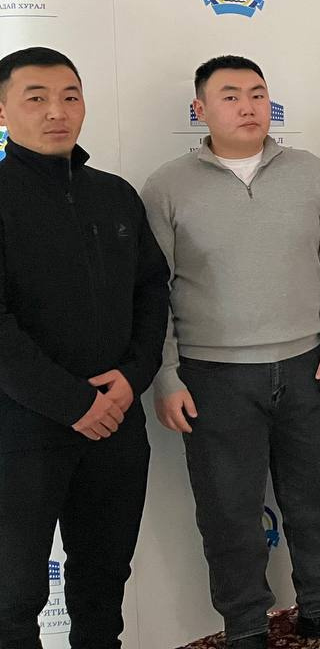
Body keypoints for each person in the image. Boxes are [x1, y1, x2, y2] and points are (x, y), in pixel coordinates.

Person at [143, 56, 320, 649]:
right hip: (212, 377)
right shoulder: (167, 186)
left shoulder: (310, 172)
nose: (247, 106)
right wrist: (166, 375)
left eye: (257, 94)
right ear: (200, 109)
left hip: (307, 367)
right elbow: (152, 289)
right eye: (230, 96)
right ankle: (246, 625)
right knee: (228, 511)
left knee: (318, 499)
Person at [0, 47, 169, 649]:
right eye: (37, 98)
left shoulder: (115, 194)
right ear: (2, 110)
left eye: (70, 97)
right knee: (13, 595)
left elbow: (152, 292)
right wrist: (73, 403)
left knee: (102, 583)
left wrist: (132, 377)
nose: (57, 111)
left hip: (116, 422)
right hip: (21, 429)